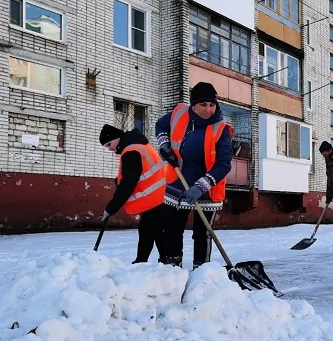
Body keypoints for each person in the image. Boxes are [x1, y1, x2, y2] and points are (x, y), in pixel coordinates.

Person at [155, 82, 233, 269]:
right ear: (193, 105)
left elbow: (223, 164)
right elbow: (161, 125)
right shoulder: (179, 113)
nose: (208, 109)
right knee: (172, 229)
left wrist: (201, 186)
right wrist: (164, 144)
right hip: (177, 183)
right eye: (203, 105)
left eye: (212, 105)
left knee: (203, 232)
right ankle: (173, 268)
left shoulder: (221, 130)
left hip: (207, 189)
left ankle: (201, 270)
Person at [99, 124, 167, 263]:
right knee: (155, 230)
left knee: (149, 230)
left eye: (109, 144)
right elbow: (139, 174)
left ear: (117, 138)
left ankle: (145, 262)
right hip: (161, 195)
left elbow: (129, 183)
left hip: (155, 197)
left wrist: (111, 207)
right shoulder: (139, 146)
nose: (110, 148)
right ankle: (165, 260)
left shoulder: (131, 151)